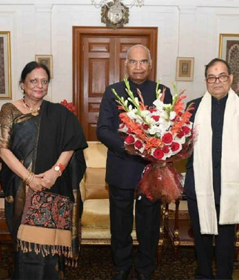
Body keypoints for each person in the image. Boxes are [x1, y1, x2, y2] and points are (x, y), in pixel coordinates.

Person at [0, 61, 87, 280]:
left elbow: (71, 144)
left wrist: (56, 171)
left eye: (44, 81)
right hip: (21, 190)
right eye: (33, 81)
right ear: (22, 84)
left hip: (52, 188)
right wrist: (29, 179)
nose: (39, 85)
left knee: (51, 248)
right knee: (27, 247)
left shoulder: (58, 114)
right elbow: (3, 150)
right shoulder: (9, 110)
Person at [96, 44, 172, 280]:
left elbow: (171, 128)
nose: (138, 67)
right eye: (133, 62)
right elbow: (103, 129)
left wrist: (157, 148)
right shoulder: (113, 91)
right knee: (120, 224)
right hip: (122, 167)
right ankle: (121, 266)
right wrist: (130, 147)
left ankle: (145, 269)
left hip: (152, 170)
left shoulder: (163, 92)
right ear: (126, 64)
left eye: (143, 62)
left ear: (150, 65)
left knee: (148, 224)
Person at [184, 58, 239, 279]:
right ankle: (204, 275)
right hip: (199, 182)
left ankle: (224, 275)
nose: (217, 81)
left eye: (222, 76)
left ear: (231, 79)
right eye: (212, 77)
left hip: (232, 183)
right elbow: (181, 146)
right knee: (201, 235)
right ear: (206, 80)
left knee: (227, 236)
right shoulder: (193, 107)